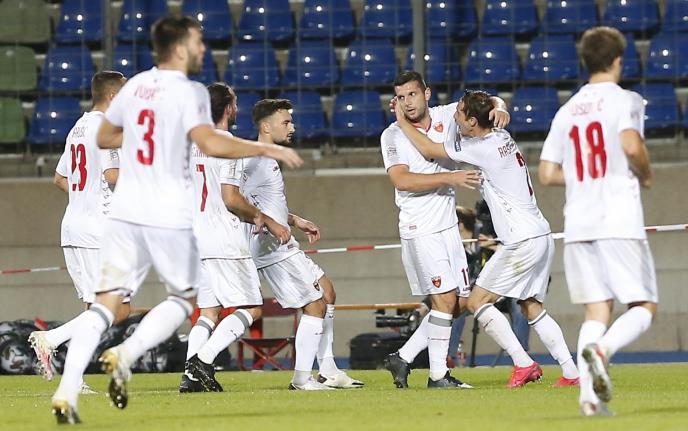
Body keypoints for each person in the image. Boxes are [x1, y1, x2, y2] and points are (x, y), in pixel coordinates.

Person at [50, 16, 303, 425]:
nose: (204, 48)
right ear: (181, 47)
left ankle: (69, 387)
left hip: (127, 217)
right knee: (184, 302)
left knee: (112, 305)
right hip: (170, 216)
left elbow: (107, 140)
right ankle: (130, 354)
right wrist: (263, 149)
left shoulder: (136, 88)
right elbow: (210, 144)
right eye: (199, 42)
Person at [394, 90, 579, 388]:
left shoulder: (480, 148)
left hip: (521, 239)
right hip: (540, 234)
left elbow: (428, 148)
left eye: (459, 114)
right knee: (530, 305)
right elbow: (489, 104)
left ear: (471, 122)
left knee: (476, 301)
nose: (454, 117)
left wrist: (402, 120)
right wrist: (500, 105)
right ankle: (571, 372)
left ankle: (523, 363)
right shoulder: (500, 136)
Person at [539, 26, 656, 416]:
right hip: (617, 219)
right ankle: (603, 350)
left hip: (578, 223)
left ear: (585, 61)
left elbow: (547, 173)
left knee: (597, 311)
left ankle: (588, 399)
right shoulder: (626, 100)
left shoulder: (567, 110)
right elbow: (630, 145)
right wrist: (646, 173)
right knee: (643, 305)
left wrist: (583, 177)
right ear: (619, 60)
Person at [380, 71, 509, 389]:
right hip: (420, 227)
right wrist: (450, 178)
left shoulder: (446, 115)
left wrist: (499, 106)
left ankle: (403, 356)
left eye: (412, 94)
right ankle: (438, 375)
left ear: (426, 93)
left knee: (461, 303)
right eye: (401, 97)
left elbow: (485, 99)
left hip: (448, 227)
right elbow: (401, 180)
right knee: (444, 300)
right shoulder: (392, 135)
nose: (407, 102)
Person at [226, 98, 363, 390]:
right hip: (270, 247)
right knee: (314, 304)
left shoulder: (267, 159)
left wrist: (294, 220)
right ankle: (301, 379)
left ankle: (329, 370)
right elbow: (236, 201)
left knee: (327, 292)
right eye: (286, 122)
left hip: (282, 241)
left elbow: (263, 202)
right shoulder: (251, 159)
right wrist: (269, 224)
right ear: (266, 127)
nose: (292, 127)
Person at [29, 71, 133, 393]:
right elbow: (113, 177)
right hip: (99, 230)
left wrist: (84, 197)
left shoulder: (77, 127)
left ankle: (73, 377)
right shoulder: (107, 128)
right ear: (113, 97)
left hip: (73, 227)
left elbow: (60, 178)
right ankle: (51, 339)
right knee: (118, 309)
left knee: (95, 309)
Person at [179, 83, 285, 392]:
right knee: (251, 308)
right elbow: (231, 198)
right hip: (225, 237)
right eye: (234, 103)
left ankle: (189, 377)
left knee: (208, 312)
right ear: (228, 109)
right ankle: (203, 361)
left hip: (197, 238)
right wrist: (262, 217)